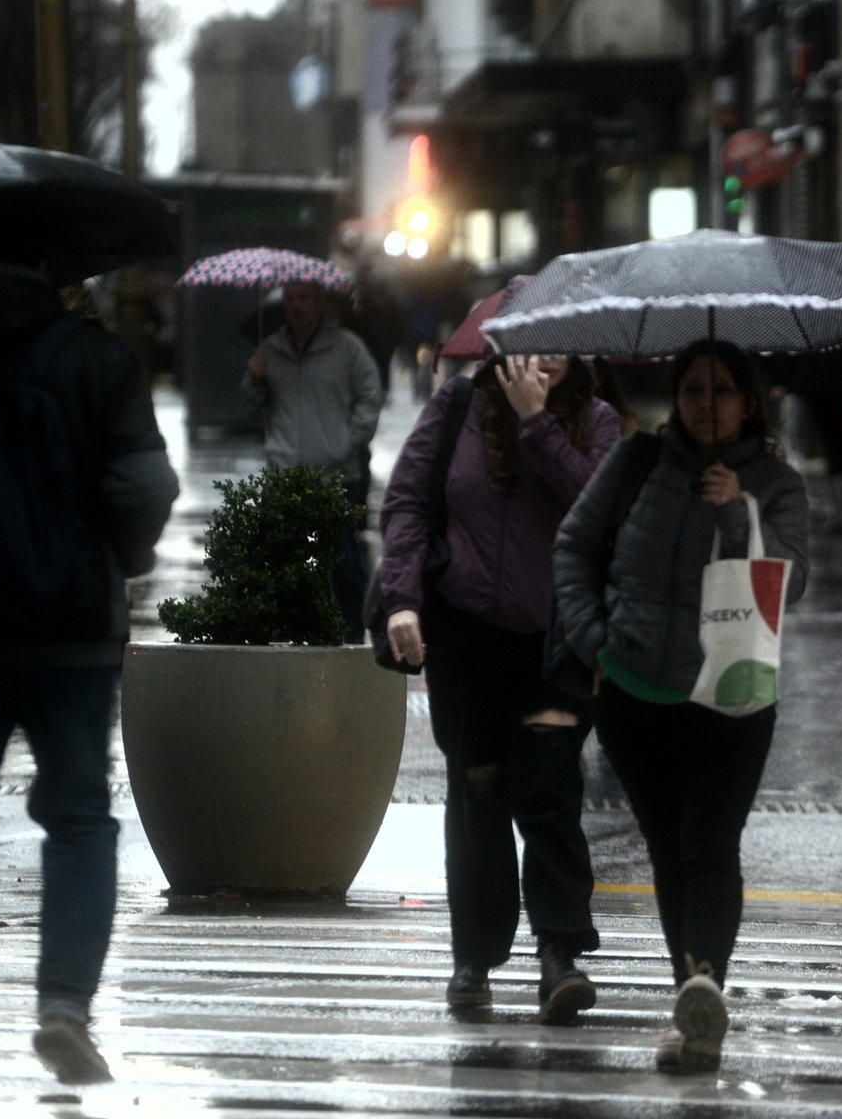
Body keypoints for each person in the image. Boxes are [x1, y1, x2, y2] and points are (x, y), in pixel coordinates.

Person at [0, 252, 179, 1117]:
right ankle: (64, 1005)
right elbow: (143, 482)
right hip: (72, 637)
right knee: (81, 820)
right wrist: (109, 562)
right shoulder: (97, 357)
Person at [551, 340, 809, 1075]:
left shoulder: (776, 483)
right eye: (693, 389)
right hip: (635, 693)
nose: (706, 403)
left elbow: (791, 586)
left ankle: (705, 990)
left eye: (723, 390)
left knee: (709, 847)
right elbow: (573, 546)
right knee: (670, 853)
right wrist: (595, 642)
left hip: (732, 696)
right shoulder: (636, 462)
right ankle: (691, 1002)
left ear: (749, 401)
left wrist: (738, 514)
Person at [379, 353, 620, 1024]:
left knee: (547, 788)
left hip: (556, 636)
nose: (543, 359)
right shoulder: (456, 409)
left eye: (557, 346)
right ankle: (474, 955)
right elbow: (405, 502)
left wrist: (538, 424)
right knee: (477, 787)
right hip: (466, 635)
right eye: (528, 344)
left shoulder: (596, 420)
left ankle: (559, 952)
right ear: (499, 348)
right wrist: (402, 599)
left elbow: (598, 504)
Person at [242, 278, 382, 642]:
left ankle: (351, 634)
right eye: (290, 298)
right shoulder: (270, 349)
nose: (296, 305)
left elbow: (370, 395)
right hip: (285, 472)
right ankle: (297, 632)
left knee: (344, 561)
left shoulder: (347, 348)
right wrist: (254, 379)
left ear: (320, 302)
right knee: (285, 562)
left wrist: (349, 443)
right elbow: (254, 404)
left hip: (338, 474)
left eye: (304, 297)